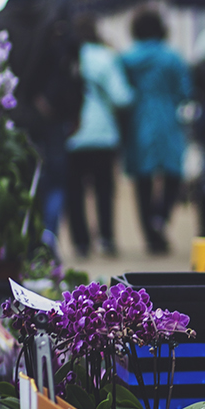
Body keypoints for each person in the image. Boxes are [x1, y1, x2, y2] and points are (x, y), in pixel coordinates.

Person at [0, 0, 83, 245]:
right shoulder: (57, 12)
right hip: (51, 112)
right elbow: (70, 62)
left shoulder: (0, 20)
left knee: (20, 178)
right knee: (55, 177)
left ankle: (26, 240)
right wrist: (63, 104)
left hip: (15, 114)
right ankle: (48, 237)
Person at [120, 7, 192, 254]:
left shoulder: (127, 59)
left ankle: (149, 233)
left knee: (143, 178)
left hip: (137, 119)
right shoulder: (171, 58)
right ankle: (161, 216)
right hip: (166, 118)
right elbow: (185, 90)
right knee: (172, 172)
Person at [64, 14, 133, 257]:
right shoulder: (106, 57)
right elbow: (121, 97)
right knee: (104, 189)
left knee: (74, 191)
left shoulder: (68, 58)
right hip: (103, 134)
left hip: (72, 133)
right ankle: (106, 238)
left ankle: (81, 242)